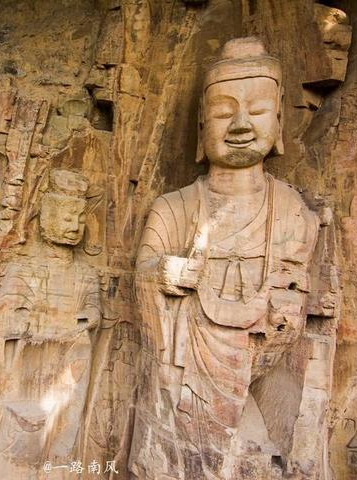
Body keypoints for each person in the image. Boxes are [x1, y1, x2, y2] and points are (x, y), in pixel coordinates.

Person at [131, 37, 318, 479]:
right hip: (183, 377)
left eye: (257, 110)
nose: (240, 124)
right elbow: (142, 274)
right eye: (222, 113)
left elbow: (294, 296)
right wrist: (163, 273)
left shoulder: (293, 211)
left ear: (278, 119)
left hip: (261, 364)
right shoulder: (173, 207)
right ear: (202, 126)